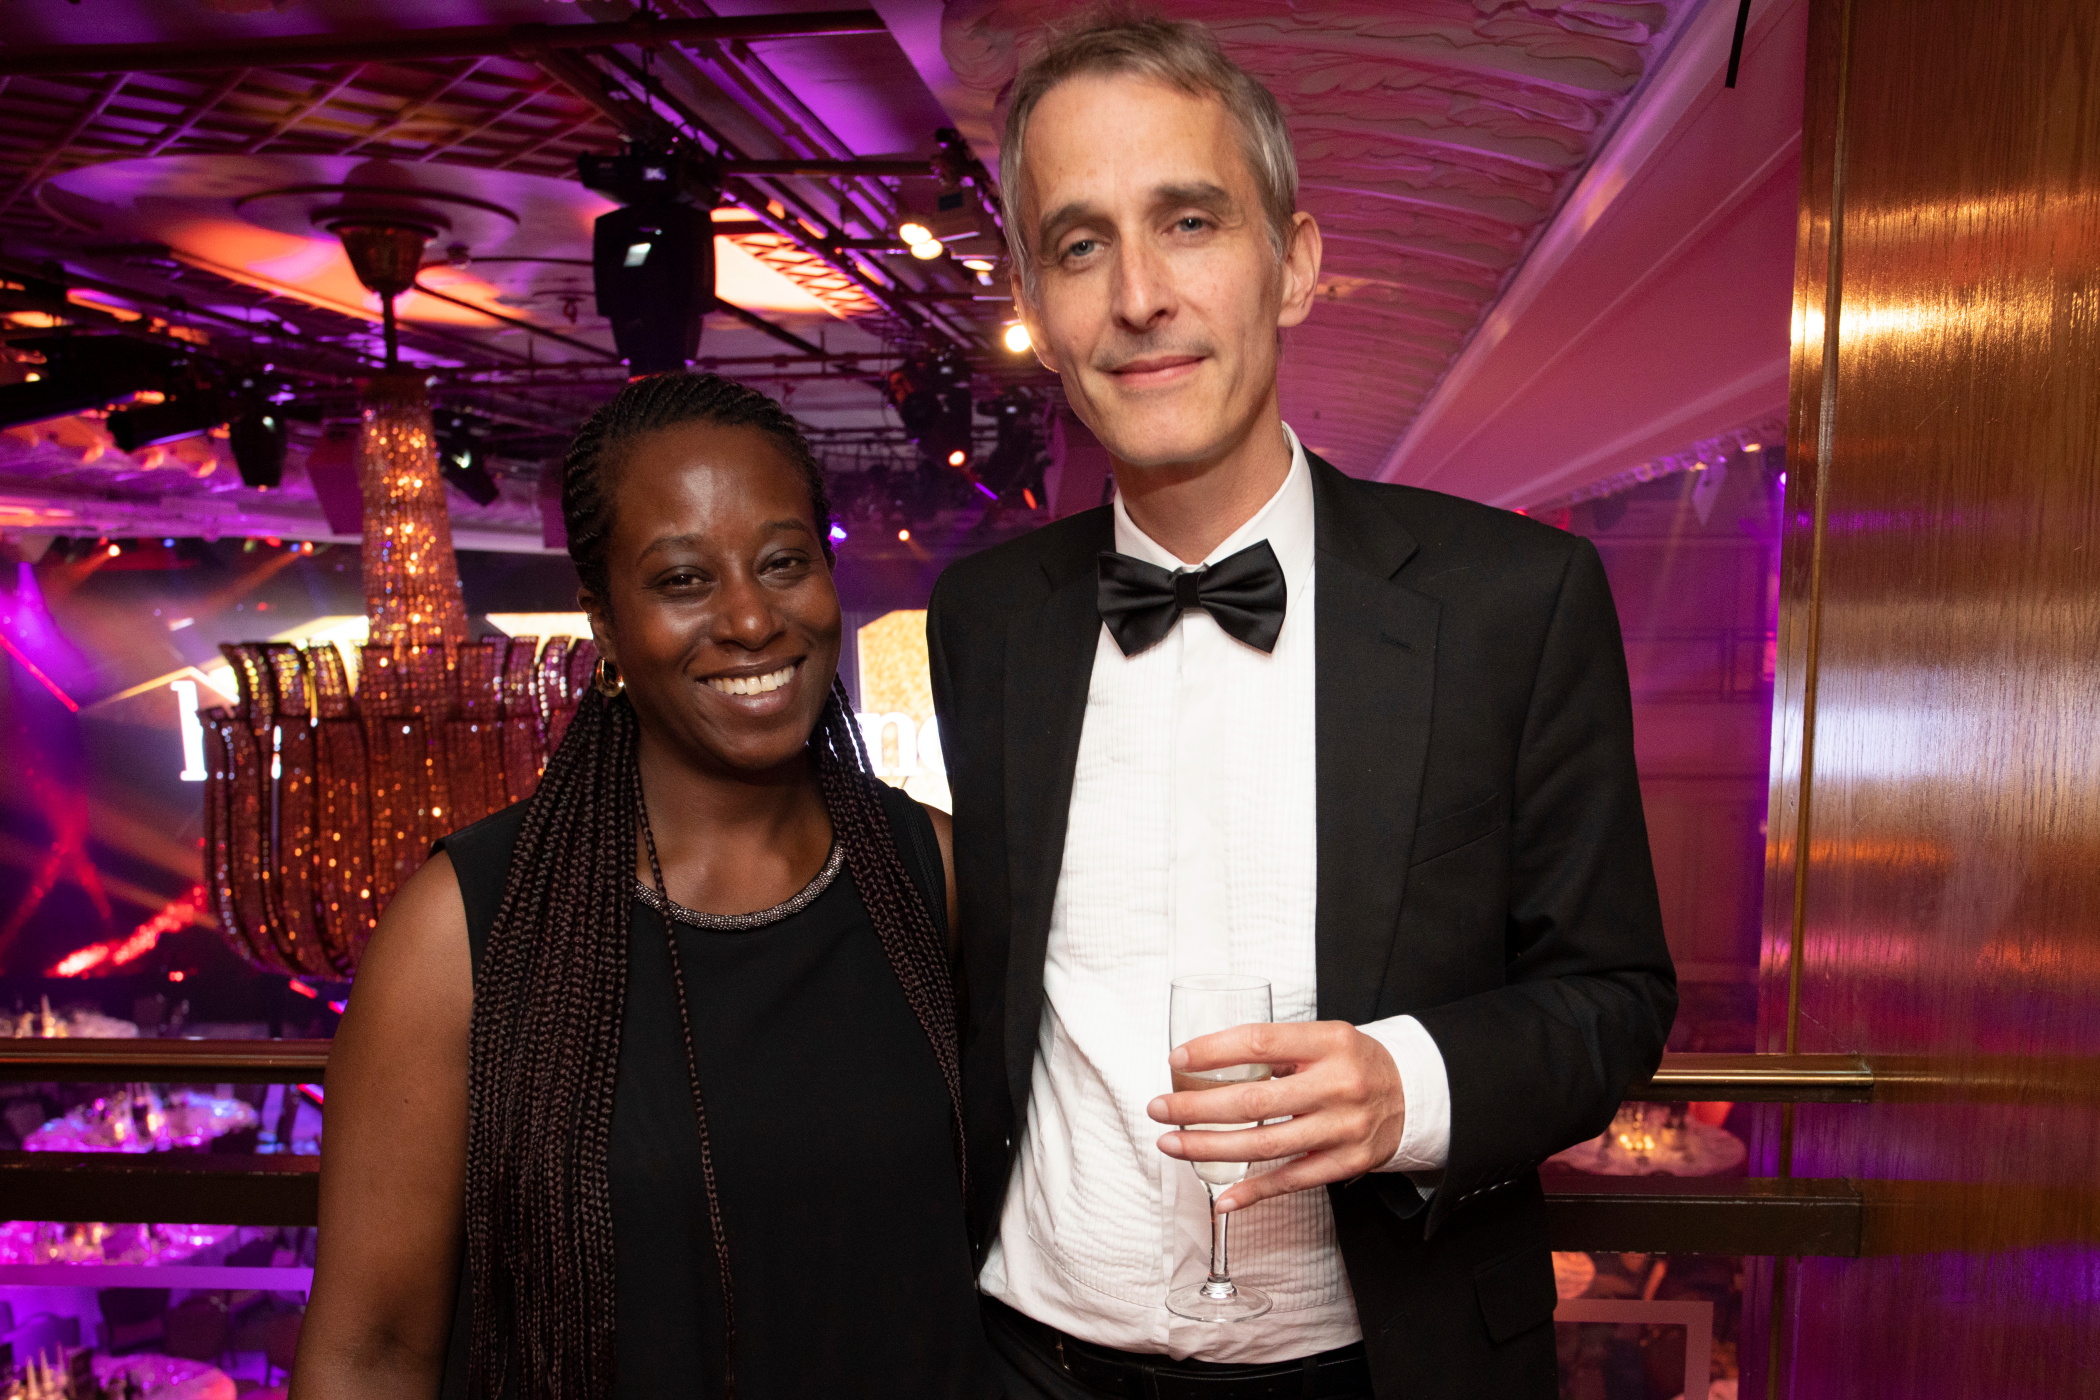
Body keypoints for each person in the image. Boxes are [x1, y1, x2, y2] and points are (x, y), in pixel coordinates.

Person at [927, 15, 1677, 1400]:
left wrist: (1412, 1086)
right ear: (1037, 298)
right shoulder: (986, 619)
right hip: (1025, 1357)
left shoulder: (1514, 602)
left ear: (1295, 263)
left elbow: (1615, 996)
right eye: (1081, 244)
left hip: (1375, 1369)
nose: (1138, 295)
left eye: (1190, 222)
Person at [293, 374, 997, 1400]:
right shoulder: (464, 929)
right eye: (683, 579)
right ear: (607, 625)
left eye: (784, 562)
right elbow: (370, 1353)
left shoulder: (933, 873)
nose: (751, 617)